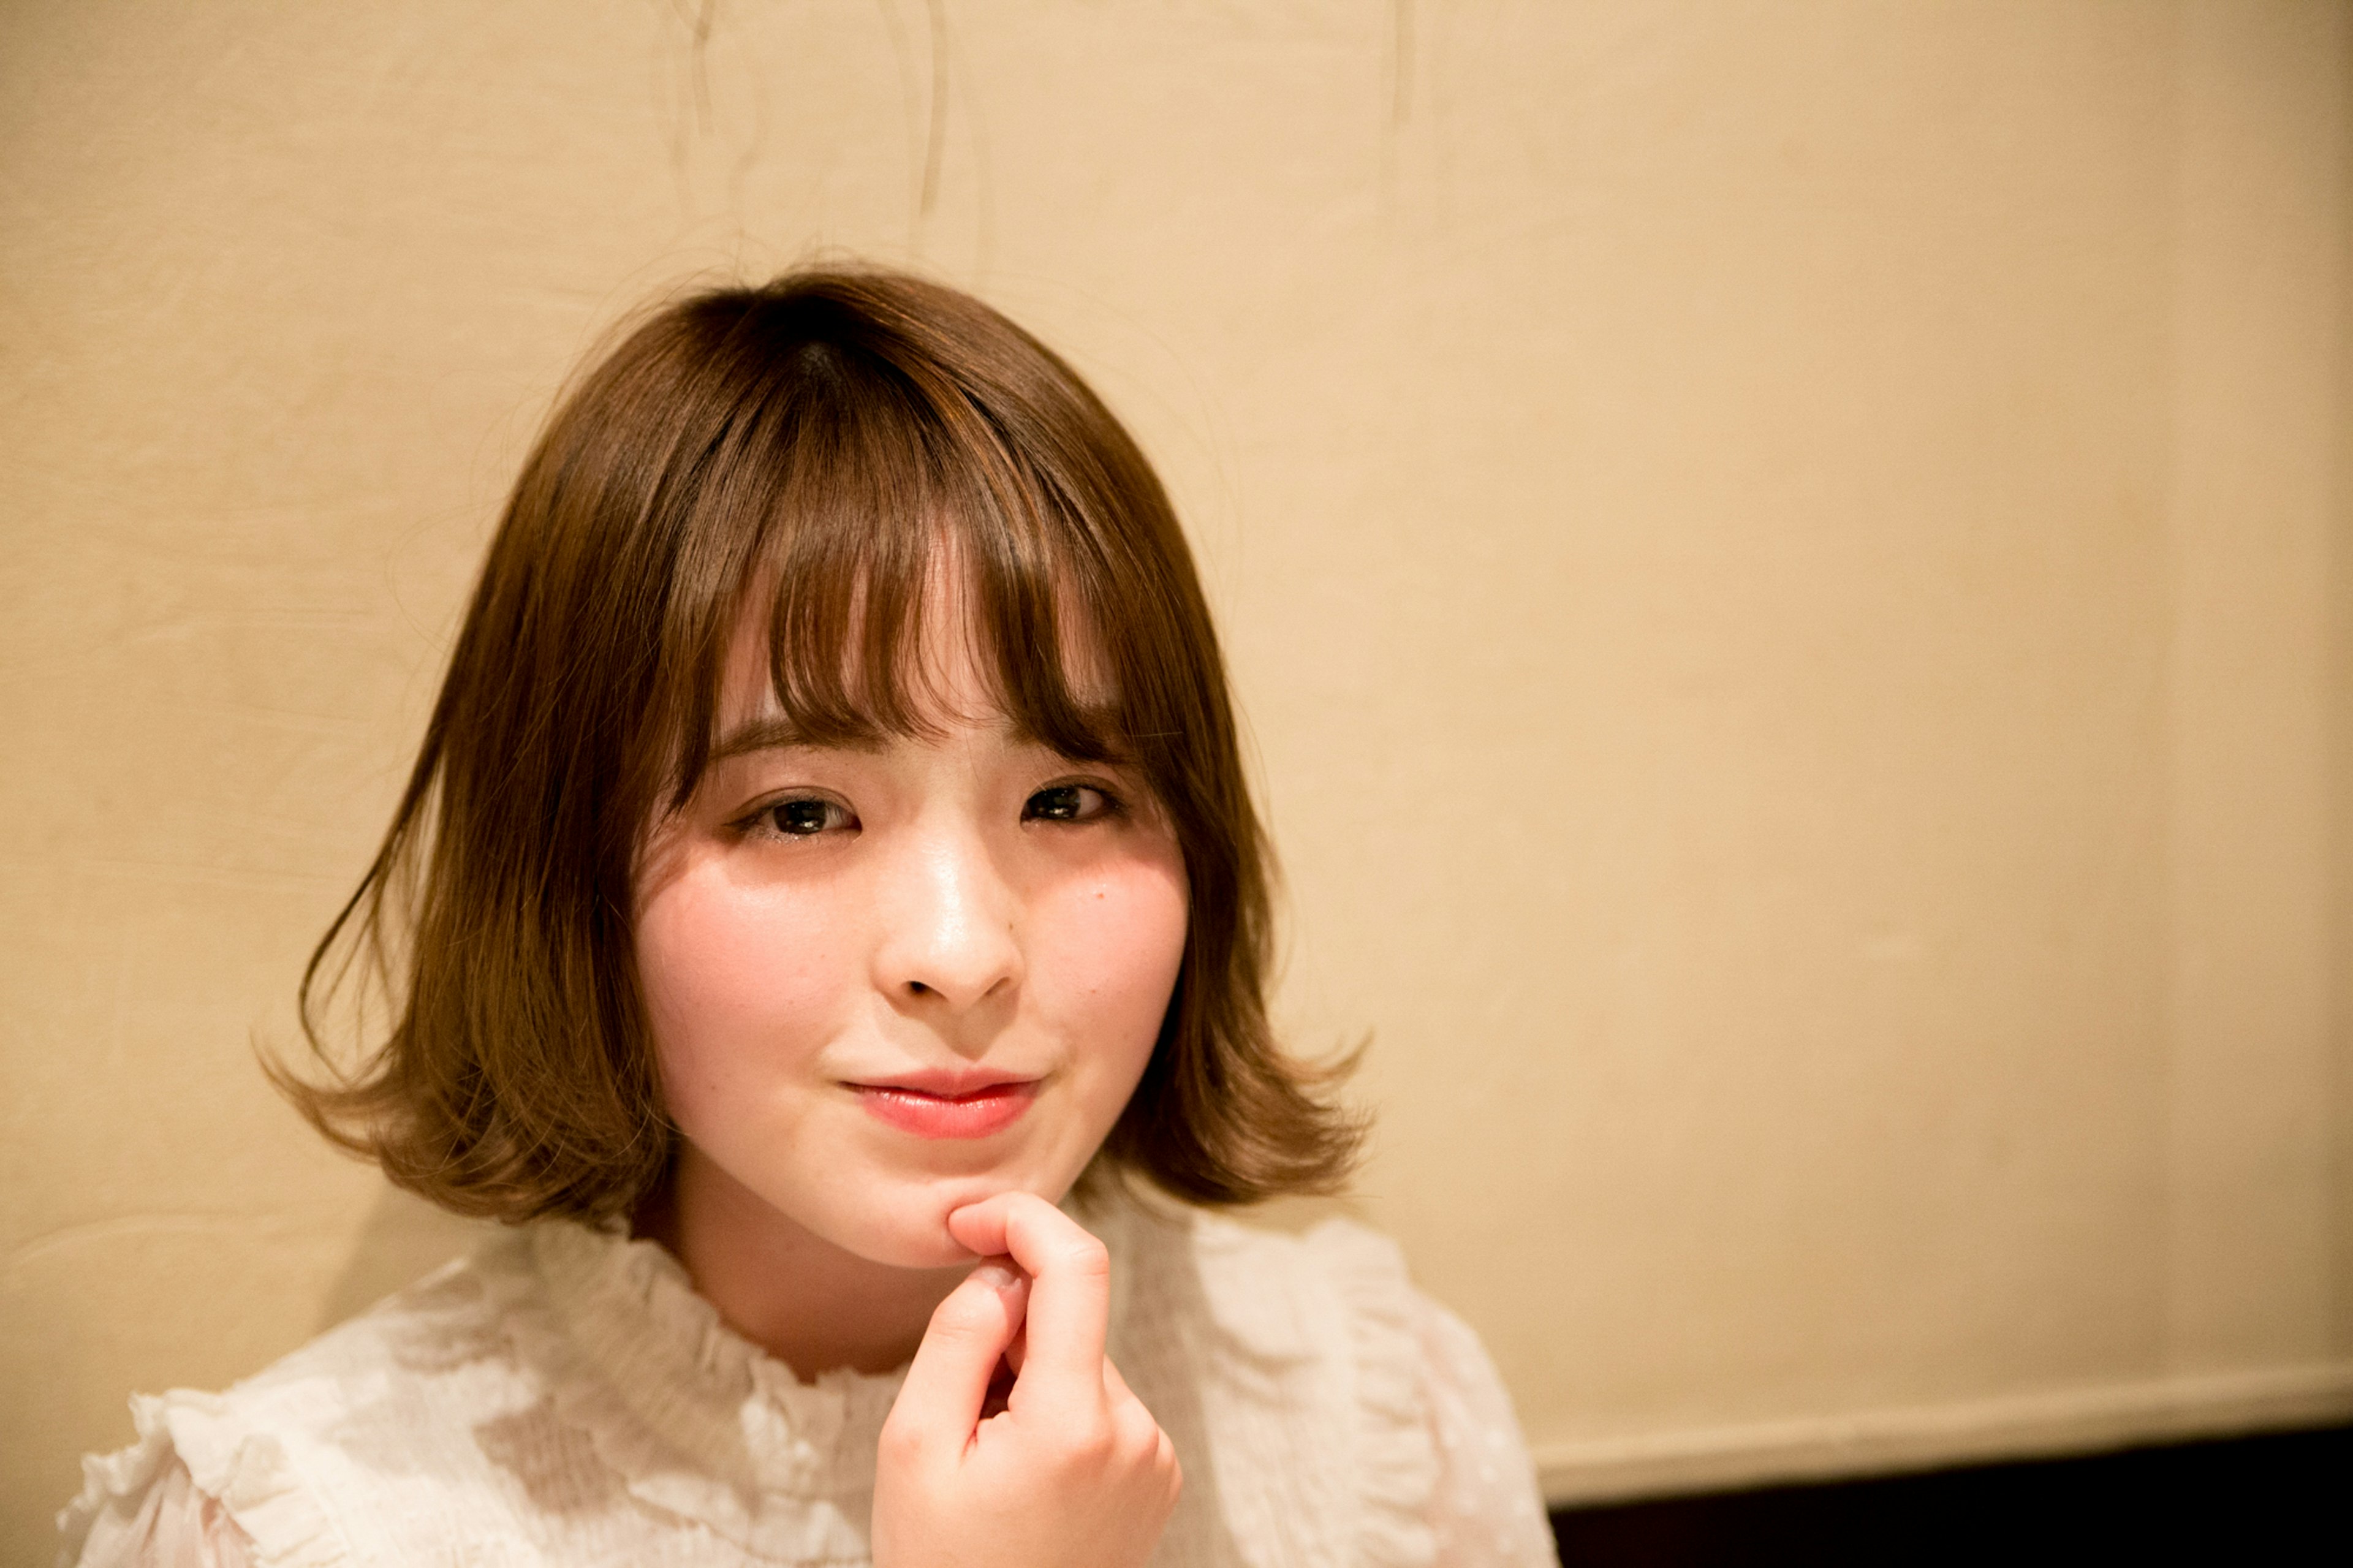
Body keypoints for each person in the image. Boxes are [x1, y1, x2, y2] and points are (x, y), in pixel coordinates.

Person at [58, 268, 1559, 1567]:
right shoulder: (303, 1521)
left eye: (1069, 800)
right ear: (567, 861)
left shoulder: (1378, 1414)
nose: (963, 952)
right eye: (798, 812)